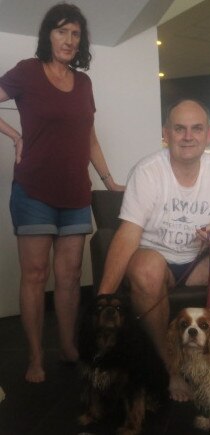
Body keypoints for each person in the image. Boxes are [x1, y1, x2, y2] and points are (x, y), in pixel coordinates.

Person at [97, 99, 210, 401]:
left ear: (209, 133)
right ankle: (171, 369)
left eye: (196, 128)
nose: (188, 136)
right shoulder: (148, 171)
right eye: (179, 129)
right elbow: (127, 236)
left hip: (198, 264)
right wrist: (103, 298)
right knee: (147, 267)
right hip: (157, 264)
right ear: (166, 133)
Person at [0, 3, 124, 383]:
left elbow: (88, 136)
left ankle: (69, 346)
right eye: (61, 31)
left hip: (75, 194)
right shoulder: (27, 72)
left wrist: (107, 180)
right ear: (48, 35)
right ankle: (36, 357)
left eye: (75, 33)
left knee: (69, 278)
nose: (69, 40)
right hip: (33, 191)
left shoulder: (83, 83)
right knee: (35, 276)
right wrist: (15, 134)